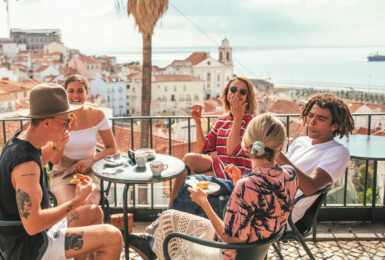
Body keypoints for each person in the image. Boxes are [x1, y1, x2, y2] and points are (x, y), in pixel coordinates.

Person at [129, 114, 298, 260]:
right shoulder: (290, 174)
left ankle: (155, 251)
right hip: (256, 249)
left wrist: (204, 203)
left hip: (231, 255)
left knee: (171, 239)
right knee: (169, 217)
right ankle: (152, 248)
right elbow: (263, 200)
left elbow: (230, 239)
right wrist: (237, 182)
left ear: (245, 145)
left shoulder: (247, 186)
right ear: (281, 147)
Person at [0, 83, 123, 260]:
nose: (69, 127)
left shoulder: (21, 140)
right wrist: (78, 199)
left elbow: (42, 160)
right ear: (47, 121)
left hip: (37, 233)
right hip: (31, 246)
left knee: (95, 212)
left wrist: (58, 144)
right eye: (66, 122)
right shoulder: (25, 165)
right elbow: (33, 225)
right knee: (112, 236)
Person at [168, 75, 258, 208]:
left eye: (242, 92)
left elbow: (231, 151)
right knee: (188, 159)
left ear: (248, 97)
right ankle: (169, 210)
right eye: (233, 89)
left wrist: (238, 118)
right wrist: (198, 122)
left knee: (191, 180)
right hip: (220, 164)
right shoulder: (222, 119)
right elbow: (204, 148)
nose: (236, 94)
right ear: (227, 92)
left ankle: (177, 214)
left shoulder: (252, 122)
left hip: (237, 171)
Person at [275, 93, 354, 224]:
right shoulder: (300, 142)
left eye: (321, 119)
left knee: (231, 198)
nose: (312, 122)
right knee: (230, 186)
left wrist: (282, 159)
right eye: (310, 116)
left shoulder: (338, 152)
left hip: (284, 214)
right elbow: (280, 173)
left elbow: (310, 187)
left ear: (334, 125)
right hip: (269, 196)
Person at [46, 74, 117, 206]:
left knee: (89, 204)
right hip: (63, 170)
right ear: (65, 94)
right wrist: (66, 132)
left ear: (87, 93)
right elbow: (54, 160)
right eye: (71, 91)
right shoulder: (57, 117)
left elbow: (112, 149)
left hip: (89, 170)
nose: (75, 96)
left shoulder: (98, 114)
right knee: (69, 206)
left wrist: (91, 160)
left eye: (80, 91)